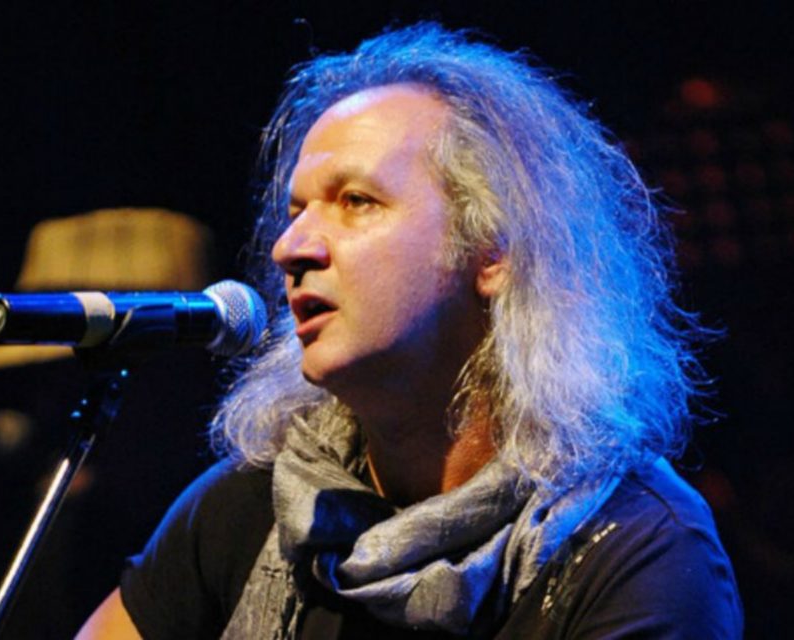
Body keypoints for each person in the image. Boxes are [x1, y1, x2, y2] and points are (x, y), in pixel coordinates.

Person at [78, 23, 743, 639]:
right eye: (297, 210)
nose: (290, 246)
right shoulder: (251, 505)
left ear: (492, 251)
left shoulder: (633, 544)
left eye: (356, 201)